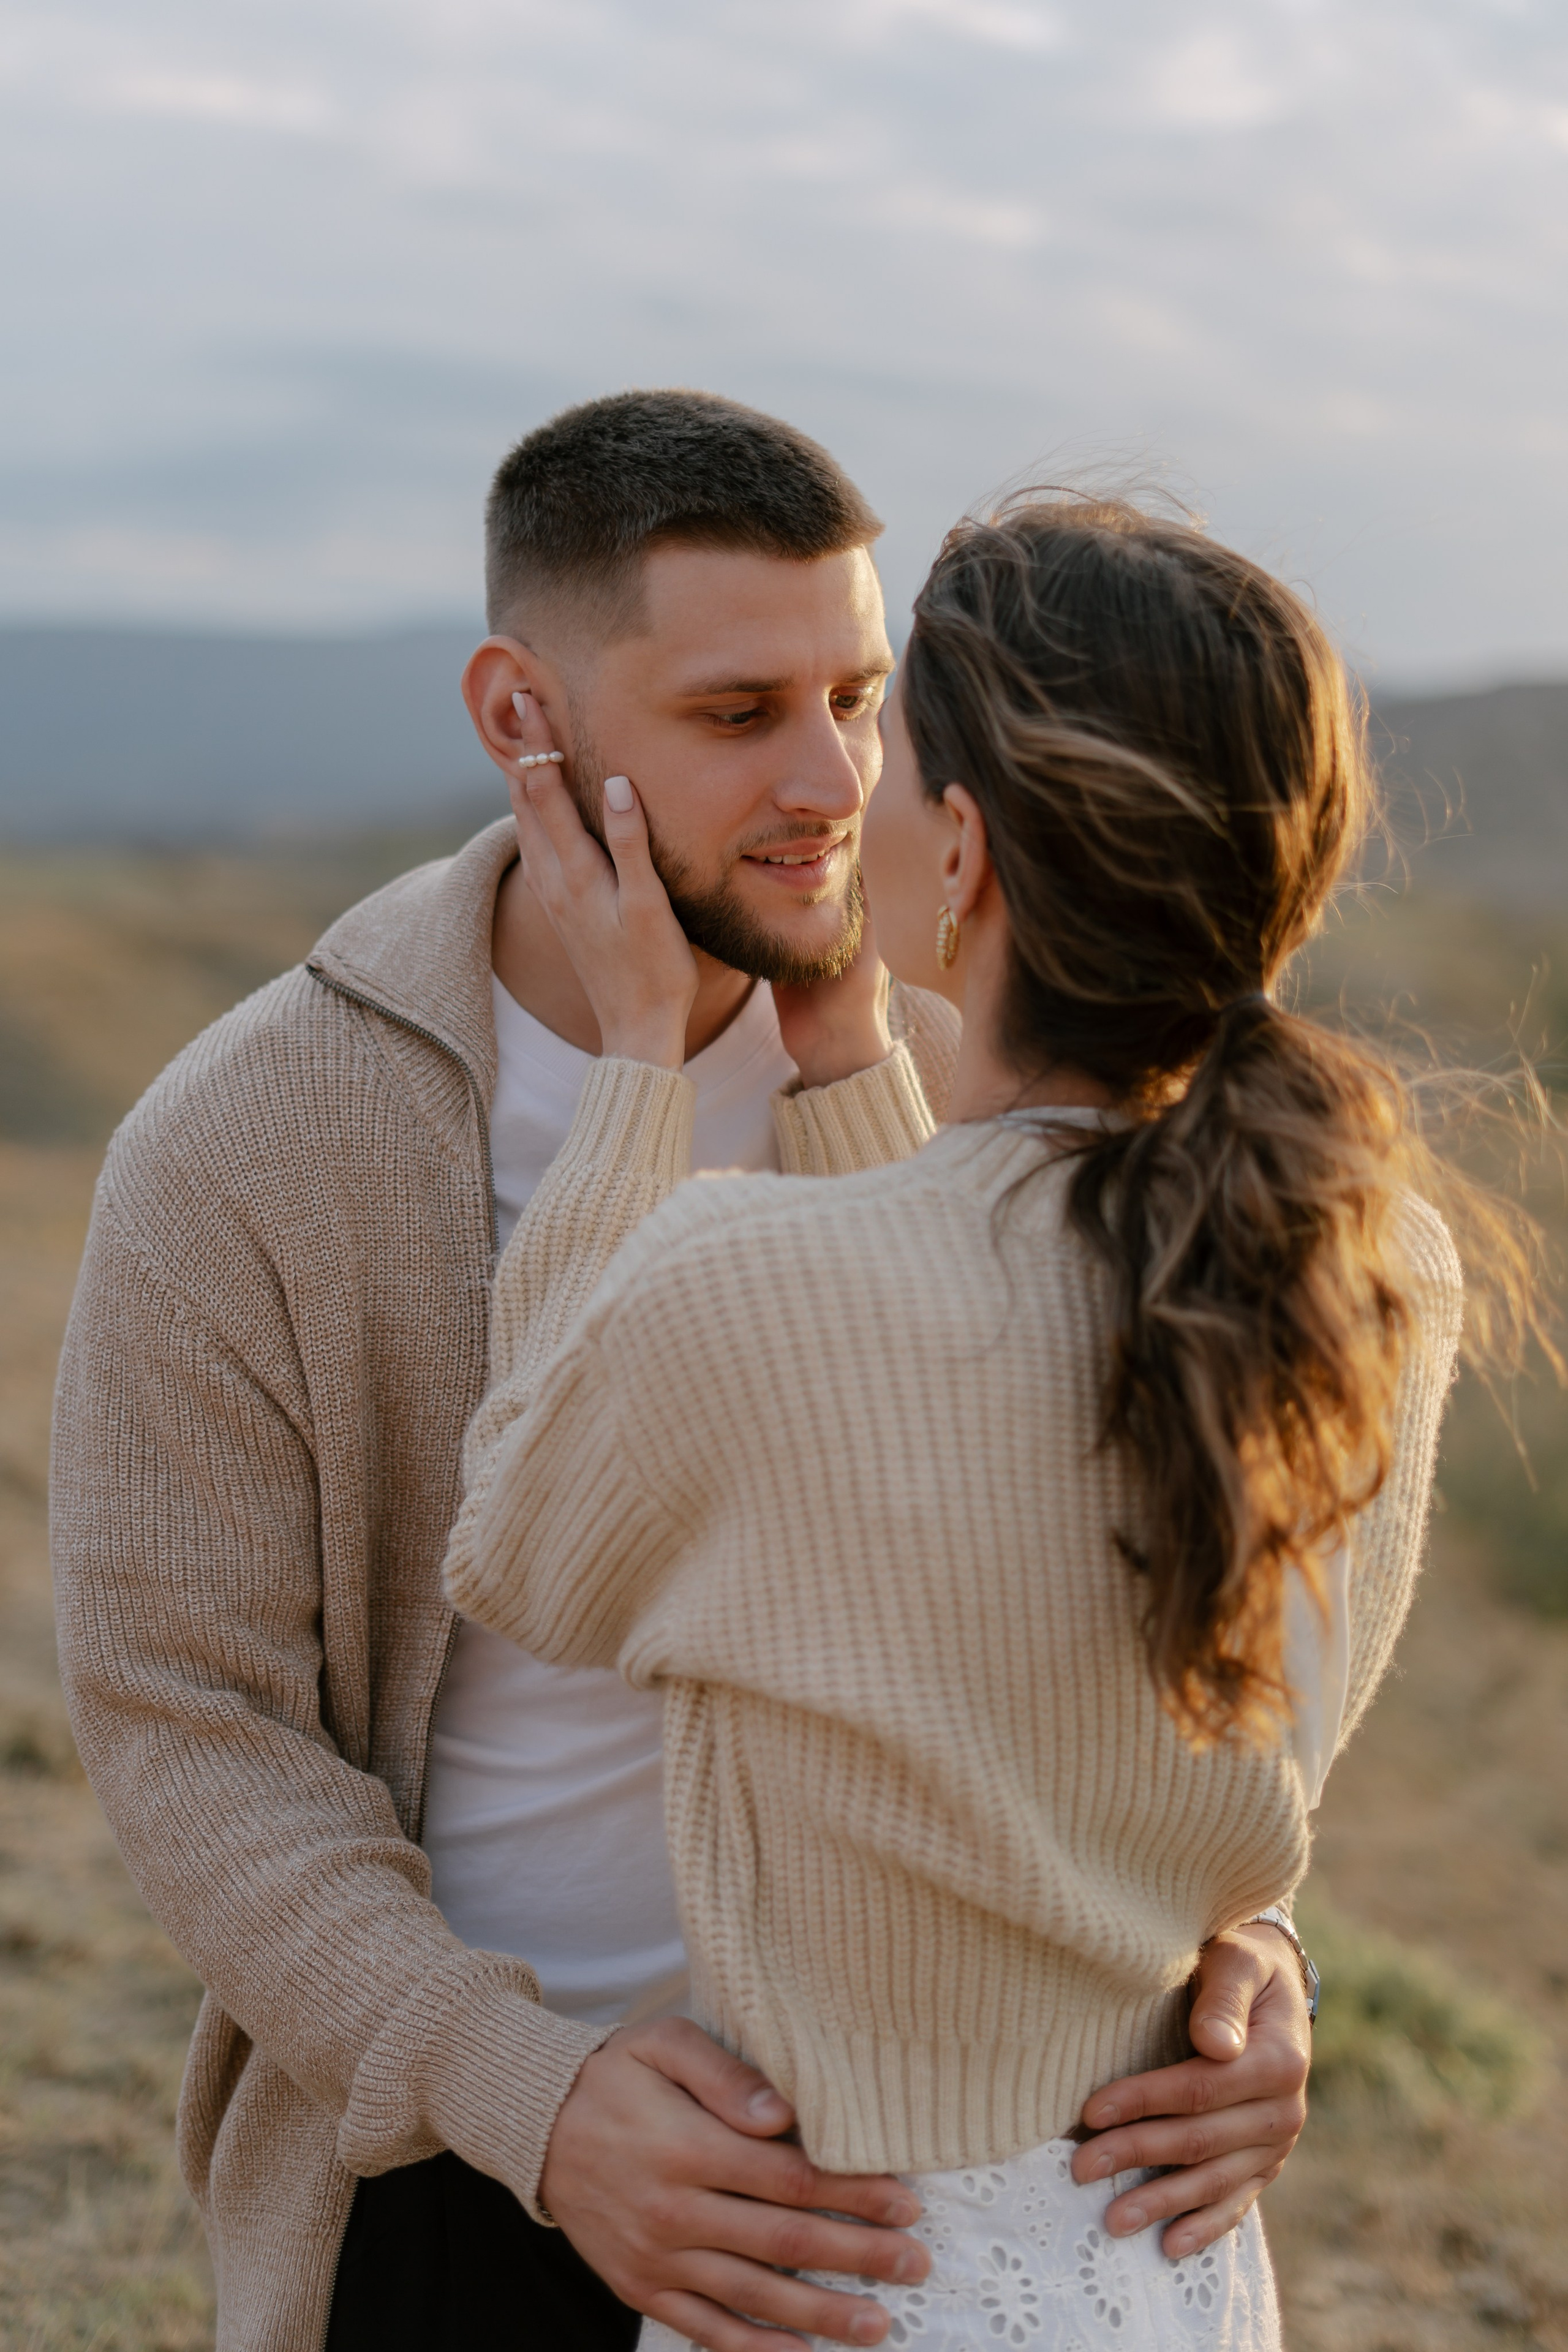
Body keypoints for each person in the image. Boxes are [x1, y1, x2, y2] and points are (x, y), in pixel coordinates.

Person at [51, 402, 1311, 2352]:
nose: (830, 778)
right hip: (470, 2175)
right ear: (523, 718)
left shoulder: (961, 1077)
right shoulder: (247, 1142)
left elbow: (1081, 1627)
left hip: (916, 2168)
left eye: (862, 697)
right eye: (740, 714)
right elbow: (188, 1729)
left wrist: (1237, 1951)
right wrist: (526, 2098)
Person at [441, 491, 1486, 2350]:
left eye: (883, 735)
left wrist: (629, 1074)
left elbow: (525, 1534)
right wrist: (852, 1063)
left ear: (967, 850)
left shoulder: (747, 1284)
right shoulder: (1371, 1268)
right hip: (1161, 2262)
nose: (840, 784)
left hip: (842, 2272)